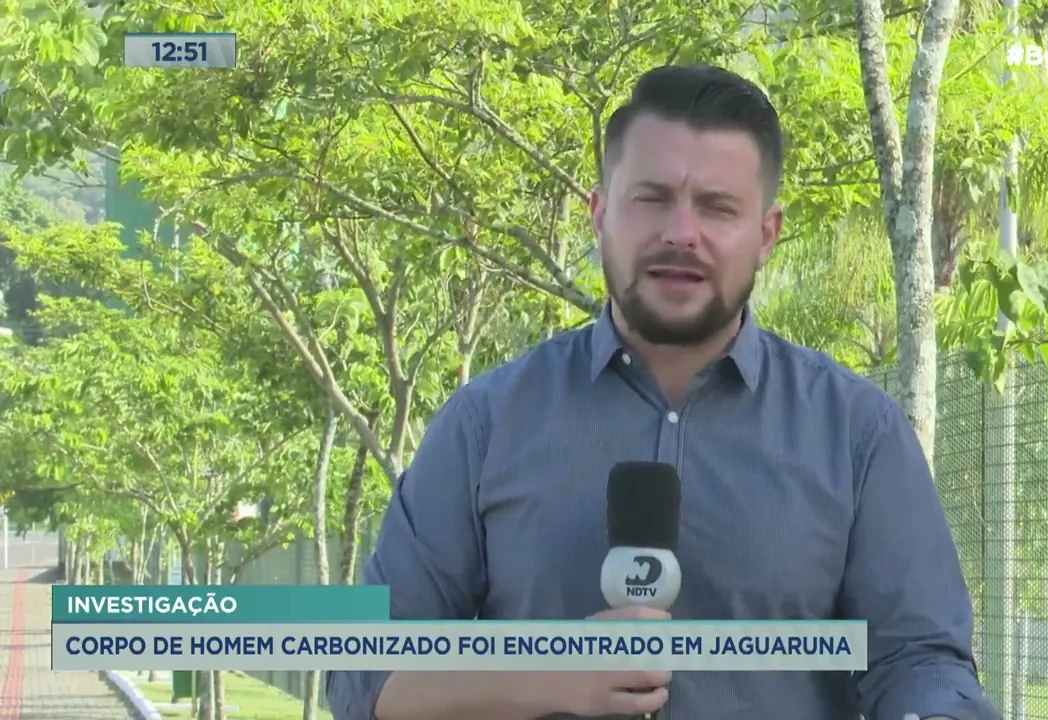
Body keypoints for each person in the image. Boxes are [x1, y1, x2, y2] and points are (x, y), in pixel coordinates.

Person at [326, 64, 999, 720]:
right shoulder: (486, 424)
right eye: (651, 199)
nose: (682, 232)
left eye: (717, 207)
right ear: (599, 215)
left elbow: (923, 662)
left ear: (767, 235)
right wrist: (547, 671)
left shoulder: (858, 434)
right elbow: (365, 676)